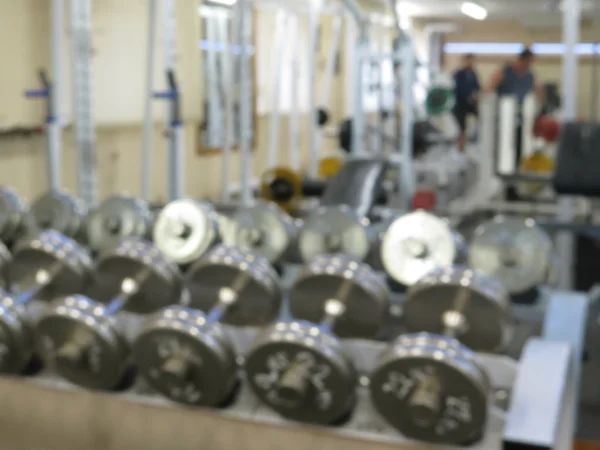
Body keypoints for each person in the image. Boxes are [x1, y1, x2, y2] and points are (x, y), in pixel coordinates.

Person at [483, 47, 545, 200]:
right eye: (528, 62)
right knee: (500, 155)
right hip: (502, 121)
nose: (529, 65)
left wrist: (542, 107)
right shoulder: (505, 71)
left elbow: (539, 92)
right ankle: (497, 186)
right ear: (521, 59)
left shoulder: (530, 75)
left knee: (517, 155)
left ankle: (512, 188)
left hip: (519, 121)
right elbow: (488, 88)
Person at [452, 53, 480, 152]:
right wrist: (468, 96)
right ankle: (460, 149)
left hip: (471, 104)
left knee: (481, 119)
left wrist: (475, 96)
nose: (470, 62)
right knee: (462, 129)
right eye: (469, 60)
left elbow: (477, 87)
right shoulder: (459, 74)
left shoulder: (473, 74)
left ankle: (474, 143)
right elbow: (458, 89)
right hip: (460, 105)